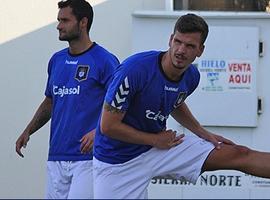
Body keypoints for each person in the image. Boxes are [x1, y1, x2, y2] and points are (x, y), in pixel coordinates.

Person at [93, 13, 270, 199]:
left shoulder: (192, 77)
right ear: (170, 40)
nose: (181, 50)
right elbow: (108, 126)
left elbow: (175, 102)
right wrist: (155, 140)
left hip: (160, 147)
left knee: (239, 153)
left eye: (190, 46)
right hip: (118, 161)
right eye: (178, 42)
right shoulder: (134, 69)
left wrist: (203, 133)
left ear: (200, 50)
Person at [15, 0, 119, 199]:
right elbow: (50, 101)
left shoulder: (105, 60)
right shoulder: (57, 60)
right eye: (58, 20)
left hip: (88, 158)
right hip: (56, 156)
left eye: (64, 20)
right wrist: (28, 130)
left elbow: (122, 104)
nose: (58, 25)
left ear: (83, 22)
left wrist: (99, 131)